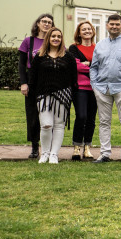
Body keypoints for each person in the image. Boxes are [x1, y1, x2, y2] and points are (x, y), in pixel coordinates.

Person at [90, 14, 121, 163]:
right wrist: (95, 85)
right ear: (107, 25)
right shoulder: (100, 45)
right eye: (111, 24)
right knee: (104, 122)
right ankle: (105, 153)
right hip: (102, 88)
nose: (114, 26)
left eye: (117, 24)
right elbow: (94, 67)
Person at [29, 27, 77, 163]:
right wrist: (33, 95)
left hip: (63, 95)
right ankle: (45, 153)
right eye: (53, 36)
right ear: (48, 38)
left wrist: (71, 95)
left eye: (59, 37)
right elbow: (32, 78)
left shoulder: (68, 57)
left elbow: (74, 79)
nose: (56, 39)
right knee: (46, 124)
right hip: (43, 95)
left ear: (61, 39)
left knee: (59, 125)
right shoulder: (39, 57)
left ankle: (54, 154)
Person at [18, 13, 54, 159]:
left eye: (49, 22)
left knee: (48, 116)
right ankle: (34, 147)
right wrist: (23, 83)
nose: (46, 24)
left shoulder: (54, 40)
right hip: (32, 81)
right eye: (44, 21)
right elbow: (21, 64)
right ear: (38, 24)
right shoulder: (28, 41)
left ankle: (49, 147)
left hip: (50, 82)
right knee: (33, 115)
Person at [68, 21, 97, 160]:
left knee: (91, 119)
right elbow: (75, 66)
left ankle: (87, 148)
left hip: (96, 88)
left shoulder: (97, 48)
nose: (86, 31)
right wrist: (92, 67)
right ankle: (76, 147)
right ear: (79, 33)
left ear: (93, 31)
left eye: (89, 29)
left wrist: (87, 64)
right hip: (80, 88)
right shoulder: (73, 48)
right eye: (83, 29)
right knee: (81, 116)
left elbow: (102, 66)